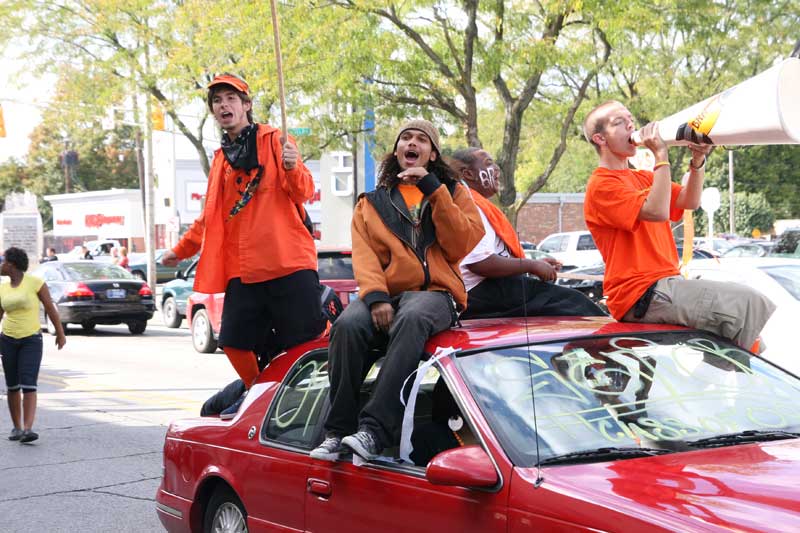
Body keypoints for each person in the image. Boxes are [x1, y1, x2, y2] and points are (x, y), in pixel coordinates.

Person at [310, 119, 485, 462]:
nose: (412, 143)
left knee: (414, 316)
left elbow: (461, 244)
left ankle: (374, 431)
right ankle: (336, 432)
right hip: (387, 293)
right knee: (346, 325)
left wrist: (435, 190)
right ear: (397, 150)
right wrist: (374, 297)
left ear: (432, 154)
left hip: (436, 294)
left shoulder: (453, 193)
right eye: (406, 137)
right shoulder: (370, 203)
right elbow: (364, 256)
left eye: (422, 139)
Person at [161, 73, 326, 419]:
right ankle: (258, 394)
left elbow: (303, 192)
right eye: (218, 101)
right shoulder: (221, 159)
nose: (224, 105)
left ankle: (300, 400)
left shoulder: (275, 140)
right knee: (234, 342)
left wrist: (294, 167)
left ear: (247, 105)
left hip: (288, 262)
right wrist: (181, 249)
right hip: (244, 269)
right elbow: (210, 217)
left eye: (231, 98)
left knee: (304, 343)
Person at [581, 100, 775, 351]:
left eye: (630, 118)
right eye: (619, 122)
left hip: (662, 287)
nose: (630, 124)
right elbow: (657, 211)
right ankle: (733, 380)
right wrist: (660, 155)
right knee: (748, 302)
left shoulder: (642, 176)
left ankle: (717, 380)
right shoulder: (601, 185)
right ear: (600, 139)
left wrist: (698, 160)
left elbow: (690, 200)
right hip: (641, 293)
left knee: (746, 339)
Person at [450, 147, 606, 319]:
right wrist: (531, 266)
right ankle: (611, 344)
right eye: (488, 163)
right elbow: (479, 263)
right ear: (468, 174)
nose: (496, 169)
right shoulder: (469, 206)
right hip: (480, 292)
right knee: (575, 304)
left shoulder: (472, 203)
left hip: (487, 289)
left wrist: (533, 264)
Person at [1, 247, 66, 443]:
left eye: (2, 261)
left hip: (31, 339)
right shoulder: (3, 288)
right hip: (7, 339)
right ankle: (17, 427)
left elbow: (50, 308)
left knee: (28, 383)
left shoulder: (35, 283)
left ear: (11, 265)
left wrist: (60, 333)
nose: (0, 264)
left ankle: (28, 429)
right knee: (12, 385)